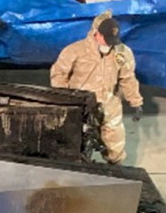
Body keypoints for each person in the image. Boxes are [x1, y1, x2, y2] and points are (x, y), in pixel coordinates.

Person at [50, 12, 144, 164]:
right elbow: (58, 74)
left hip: (109, 105)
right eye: (106, 40)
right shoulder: (75, 51)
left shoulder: (122, 52)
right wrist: (65, 98)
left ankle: (115, 170)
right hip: (81, 105)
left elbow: (127, 78)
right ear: (97, 34)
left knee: (115, 145)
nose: (109, 44)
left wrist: (136, 101)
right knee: (76, 144)